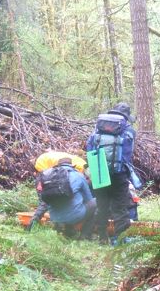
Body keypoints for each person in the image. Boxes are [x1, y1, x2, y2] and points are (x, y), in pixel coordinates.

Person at [86, 102, 136, 245]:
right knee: (119, 207)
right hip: (119, 174)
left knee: (102, 206)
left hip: (99, 171)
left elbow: (89, 147)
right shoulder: (128, 130)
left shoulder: (98, 127)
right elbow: (128, 153)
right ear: (126, 116)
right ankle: (120, 239)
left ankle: (102, 237)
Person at [37, 157, 96, 239]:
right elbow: (88, 198)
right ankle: (85, 235)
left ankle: (68, 231)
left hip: (54, 217)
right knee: (96, 202)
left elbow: (44, 198)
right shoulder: (78, 176)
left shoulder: (49, 177)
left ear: (58, 166)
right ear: (71, 166)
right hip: (74, 216)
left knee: (68, 205)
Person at [29, 151, 88, 229]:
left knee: (50, 194)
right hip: (74, 166)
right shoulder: (79, 167)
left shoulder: (41, 165)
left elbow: (46, 192)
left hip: (69, 168)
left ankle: (36, 219)